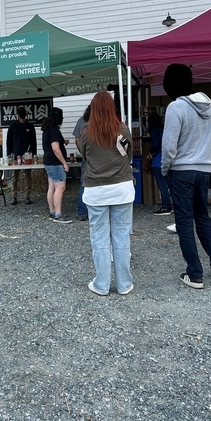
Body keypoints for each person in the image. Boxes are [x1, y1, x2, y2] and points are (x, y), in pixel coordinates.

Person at [162, 63, 211, 289]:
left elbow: (169, 146)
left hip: (181, 171)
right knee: (203, 218)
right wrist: (204, 159)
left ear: (169, 83)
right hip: (203, 170)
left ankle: (195, 274)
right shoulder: (209, 107)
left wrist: (165, 168)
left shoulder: (175, 107)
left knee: (184, 222)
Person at [81, 91, 134, 296]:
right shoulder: (124, 130)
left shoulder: (86, 133)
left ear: (93, 110)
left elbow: (85, 156)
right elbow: (128, 156)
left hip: (95, 191)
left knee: (100, 238)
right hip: (122, 189)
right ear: (113, 108)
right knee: (121, 237)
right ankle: (124, 284)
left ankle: (101, 285)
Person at [41, 107, 71, 223]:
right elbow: (55, 148)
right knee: (60, 188)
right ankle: (58, 214)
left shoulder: (47, 129)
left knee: (52, 187)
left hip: (48, 162)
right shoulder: (54, 130)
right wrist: (64, 163)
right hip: (55, 163)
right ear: (58, 118)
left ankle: (52, 212)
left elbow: (57, 142)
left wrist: (64, 142)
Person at [6, 106, 37, 205]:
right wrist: (9, 154)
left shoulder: (30, 127)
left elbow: (33, 142)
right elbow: (9, 142)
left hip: (27, 155)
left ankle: (27, 196)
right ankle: (14, 196)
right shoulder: (13, 127)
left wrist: (34, 154)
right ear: (18, 115)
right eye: (21, 113)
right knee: (15, 175)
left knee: (28, 176)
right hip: (16, 154)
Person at [147, 111, 172, 216]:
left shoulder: (154, 130)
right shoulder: (164, 129)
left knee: (162, 185)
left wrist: (150, 153)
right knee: (170, 185)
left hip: (158, 161)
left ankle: (166, 206)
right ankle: (174, 206)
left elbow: (156, 143)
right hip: (168, 159)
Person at [73, 104, 90, 221]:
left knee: (84, 185)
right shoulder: (100, 121)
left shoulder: (81, 121)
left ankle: (81, 212)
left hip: (86, 158)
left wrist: (83, 152)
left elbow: (77, 139)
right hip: (99, 159)